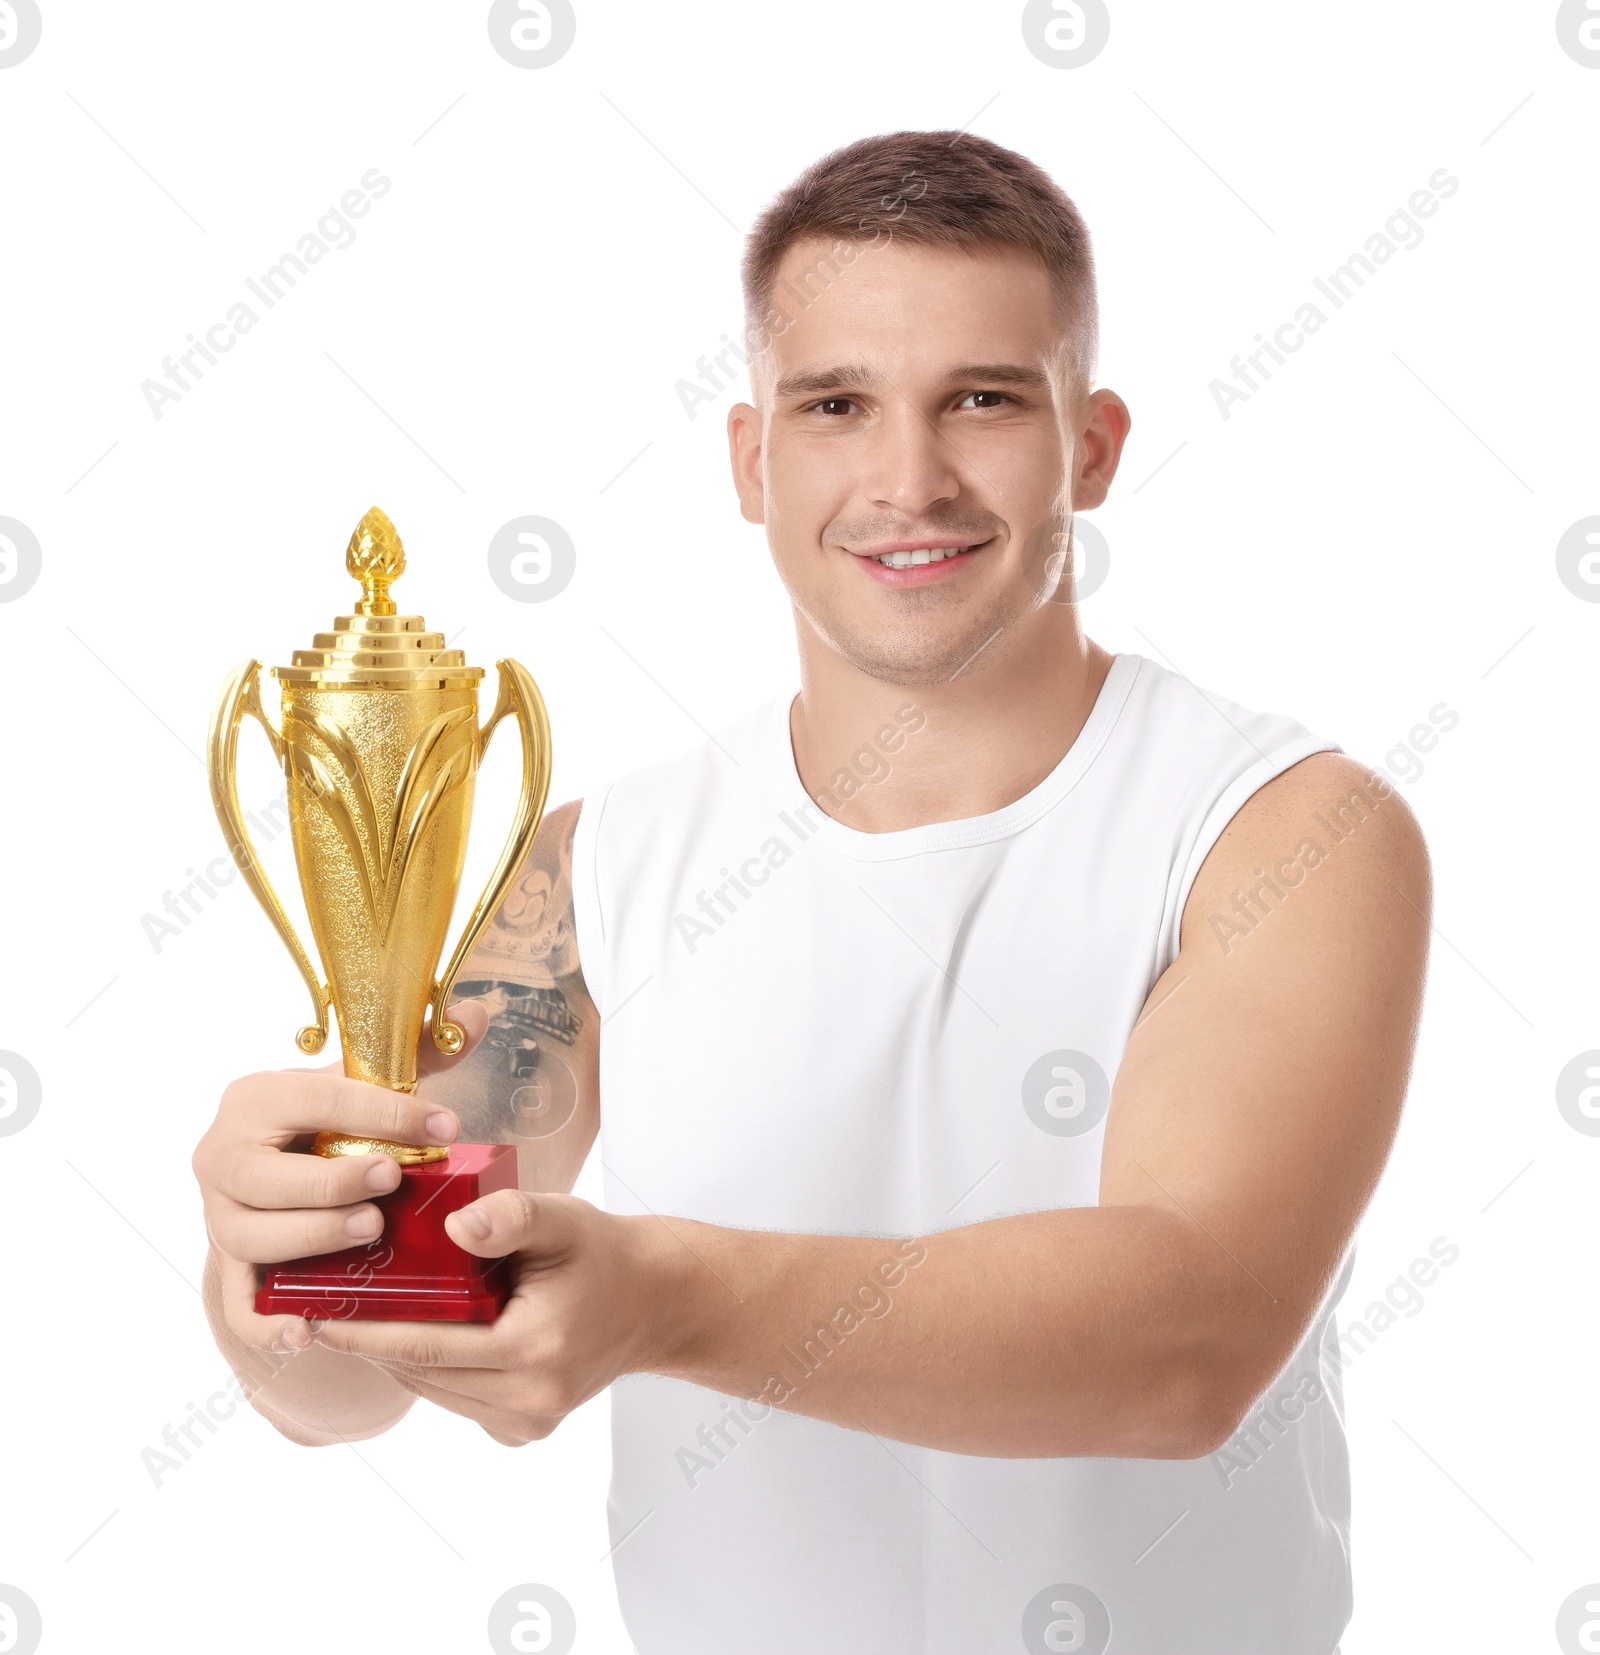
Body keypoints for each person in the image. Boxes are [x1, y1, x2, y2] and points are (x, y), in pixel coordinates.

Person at [192, 131, 1429, 1654]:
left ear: (1093, 445)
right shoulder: (591, 873)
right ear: (750, 461)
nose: (908, 479)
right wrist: (274, 1260)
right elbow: (351, 1377)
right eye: (836, 406)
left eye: (982, 398)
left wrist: (662, 1296)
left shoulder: (1280, 829)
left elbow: (1187, 1345)